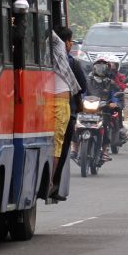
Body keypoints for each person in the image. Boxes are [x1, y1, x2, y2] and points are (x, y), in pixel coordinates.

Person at [54, 27, 86, 200]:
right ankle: (55, 183)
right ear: (65, 43)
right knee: (61, 148)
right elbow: (83, 86)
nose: (71, 44)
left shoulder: (47, 59)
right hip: (68, 112)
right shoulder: (71, 63)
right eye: (70, 41)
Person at [48, 29, 81, 188]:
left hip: (56, 103)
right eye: (70, 40)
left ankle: (51, 179)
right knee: (56, 144)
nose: (71, 44)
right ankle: (51, 179)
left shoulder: (55, 53)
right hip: (56, 103)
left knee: (55, 143)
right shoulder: (56, 49)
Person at [83, 55, 121, 162]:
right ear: (94, 68)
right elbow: (82, 93)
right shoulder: (87, 81)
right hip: (87, 110)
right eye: (98, 67)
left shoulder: (110, 82)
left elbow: (115, 95)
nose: (100, 69)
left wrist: (114, 103)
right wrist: (79, 101)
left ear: (107, 69)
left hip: (103, 111)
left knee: (105, 126)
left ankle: (104, 151)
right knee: (76, 125)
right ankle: (74, 148)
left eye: (103, 67)